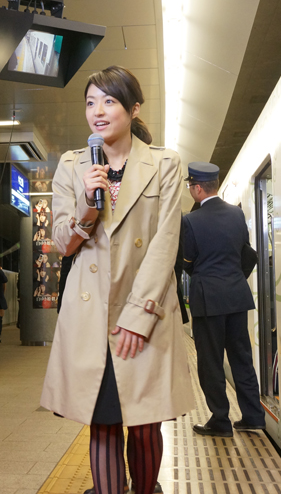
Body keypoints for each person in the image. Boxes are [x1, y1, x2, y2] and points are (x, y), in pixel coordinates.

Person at [40, 65, 195, 494]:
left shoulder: (163, 163)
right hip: (90, 315)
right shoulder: (71, 166)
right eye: (91, 102)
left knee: (144, 424)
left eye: (109, 101)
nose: (98, 111)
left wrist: (137, 316)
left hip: (145, 311)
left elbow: (165, 243)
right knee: (103, 422)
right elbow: (63, 243)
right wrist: (88, 206)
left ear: (133, 108)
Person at [182, 162, 265, 438]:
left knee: (211, 363)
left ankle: (220, 420)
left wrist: (204, 276)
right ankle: (253, 416)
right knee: (242, 358)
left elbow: (187, 261)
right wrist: (234, 277)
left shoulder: (190, 221)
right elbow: (246, 252)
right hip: (237, 297)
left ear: (197, 188)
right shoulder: (237, 215)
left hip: (208, 301)